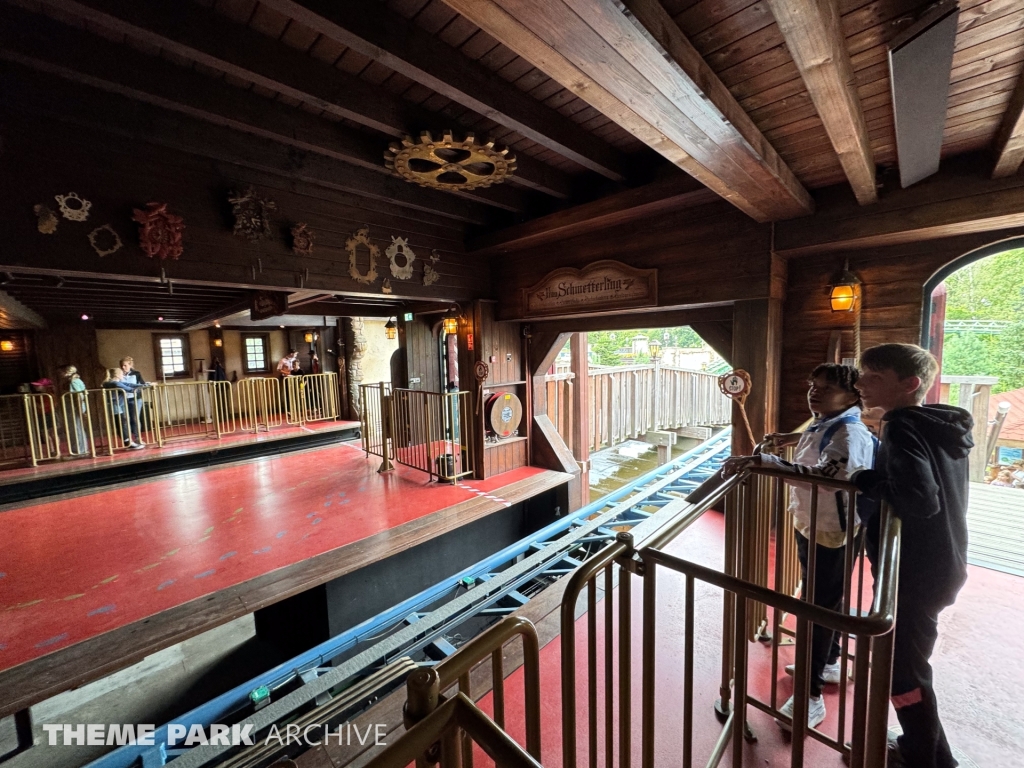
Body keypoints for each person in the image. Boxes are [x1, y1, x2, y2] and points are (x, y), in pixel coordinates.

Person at [723, 364, 876, 730]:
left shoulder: (850, 434)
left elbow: (826, 477)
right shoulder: (828, 421)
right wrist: (787, 438)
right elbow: (816, 441)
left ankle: (810, 696)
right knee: (824, 599)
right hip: (815, 522)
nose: (814, 392)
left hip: (831, 529)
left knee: (817, 610)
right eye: (813, 385)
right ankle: (830, 661)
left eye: (826, 388)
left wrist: (764, 461)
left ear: (853, 396)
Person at [853, 343, 970, 768]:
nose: (861, 384)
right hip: (943, 560)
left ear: (910, 384)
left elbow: (920, 498)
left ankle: (926, 757)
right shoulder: (938, 425)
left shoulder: (901, 425)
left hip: (915, 569)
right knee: (908, 663)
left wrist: (867, 480)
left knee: (903, 670)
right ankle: (925, 748)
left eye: (874, 377)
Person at [102, 368, 145, 450]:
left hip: (117, 405)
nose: (123, 375)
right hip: (115, 405)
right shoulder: (114, 383)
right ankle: (128, 443)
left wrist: (145, 385)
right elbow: (129, 389)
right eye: (121, 373)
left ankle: (128, 442)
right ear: (117, 375)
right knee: (121, 424)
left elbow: (128, 384)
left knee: (122, 423)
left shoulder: (111, 382)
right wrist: (139, 389)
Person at [60, 364, 89, 456]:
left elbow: (78, 396)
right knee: (74, 428)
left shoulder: (74, 382)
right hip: (72, 407)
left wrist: (80, 410)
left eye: (62, 372)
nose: (60, 374)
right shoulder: (72, 381)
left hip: (74, 407)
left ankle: (80, 450)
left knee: (76, 428)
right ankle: (77, 449)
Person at [120, 356, 147, 437]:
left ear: (130, 365)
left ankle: (138, 437)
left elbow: (142, 385)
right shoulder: (119, 374)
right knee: (124, 419)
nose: (123, 367)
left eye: (125, 365)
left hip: (135, 399)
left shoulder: (136, 374)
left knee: (135, 418)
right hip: (123, 399)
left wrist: (136, 390)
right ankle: (128, 439)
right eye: (121, 365)